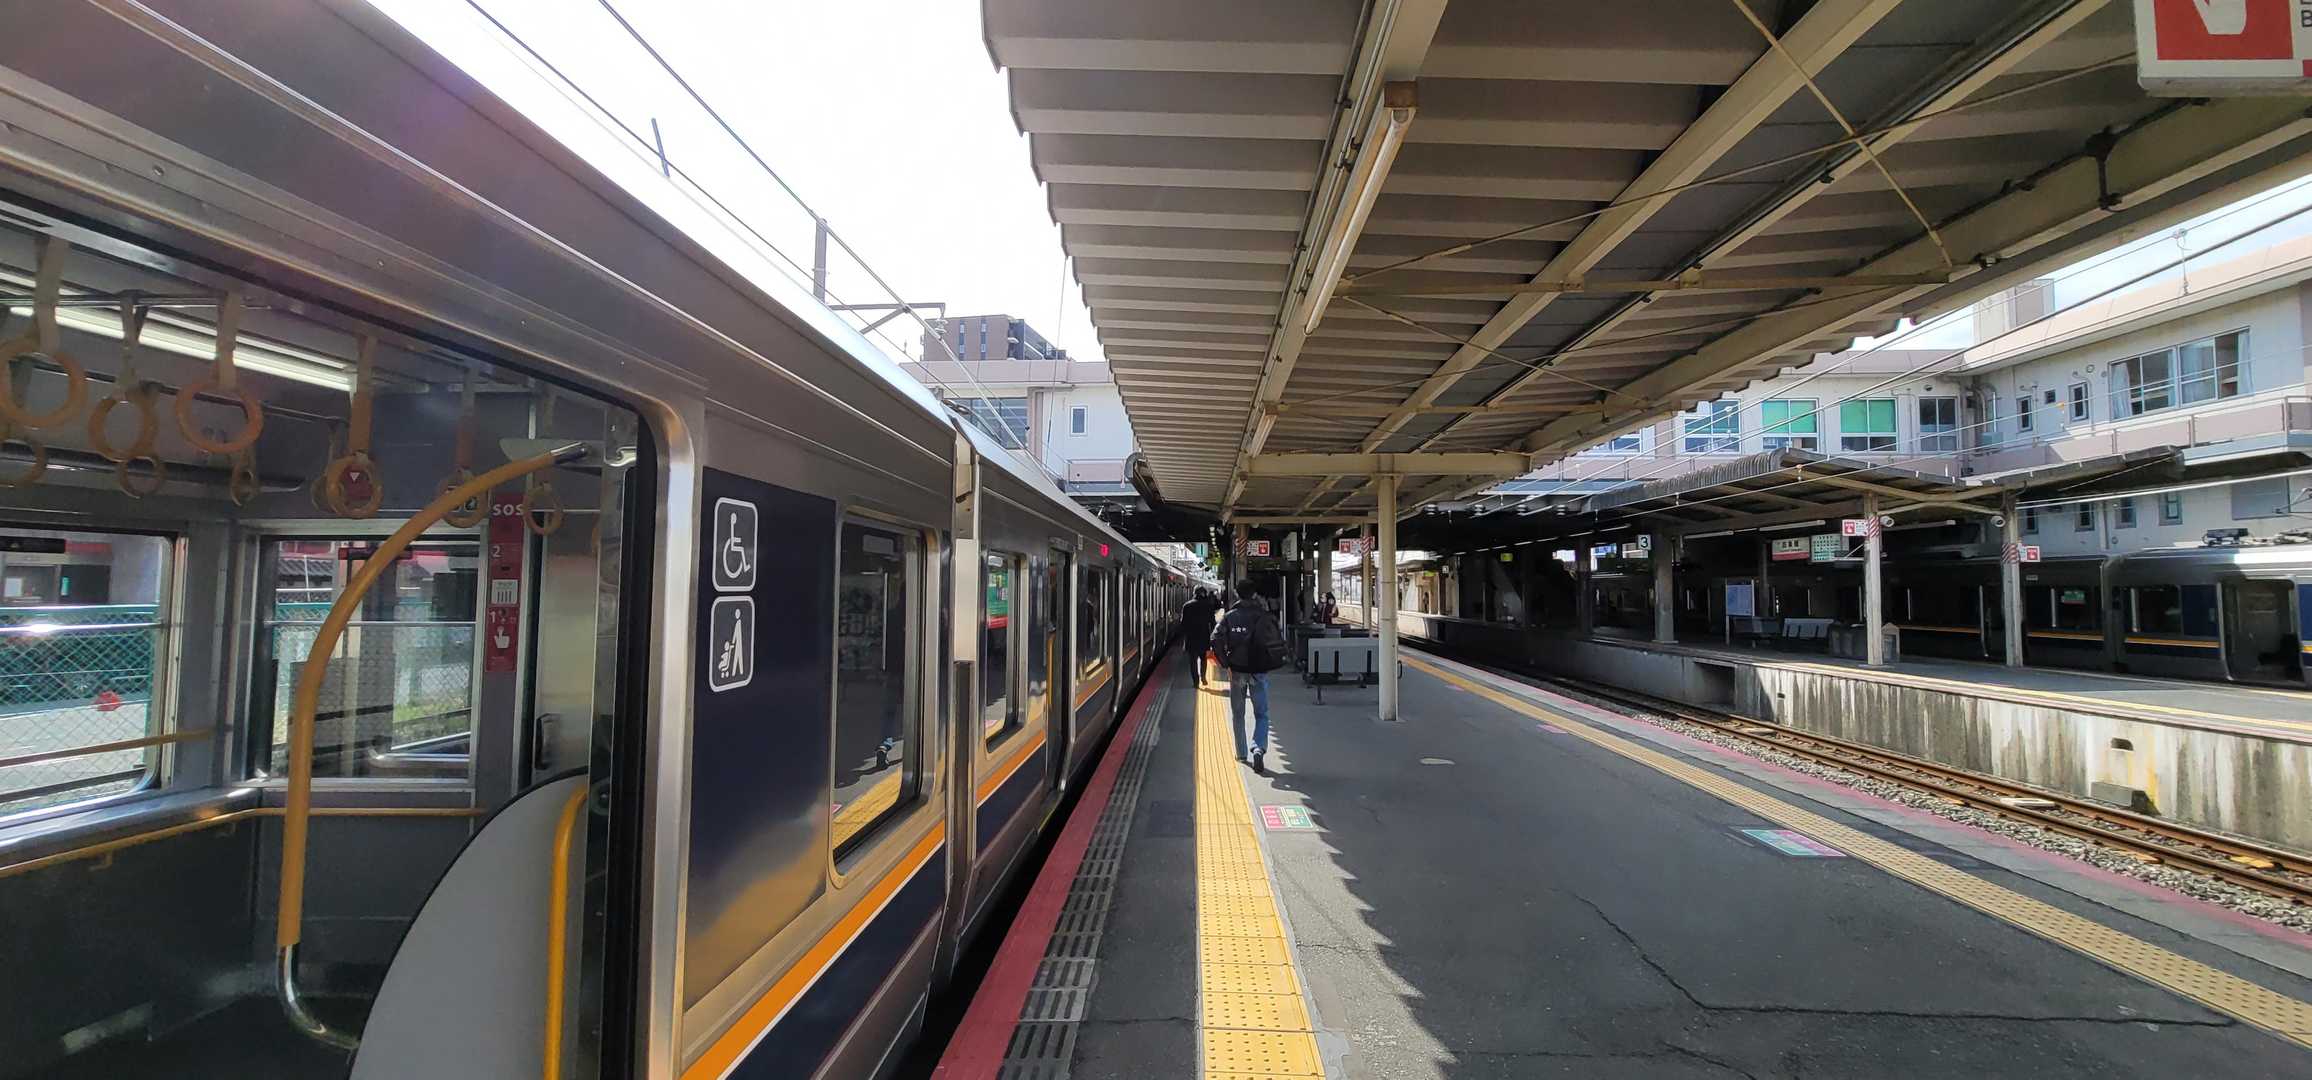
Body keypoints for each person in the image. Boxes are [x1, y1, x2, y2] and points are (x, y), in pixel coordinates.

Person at [1216, 578, 1289, 774]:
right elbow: (1276, 639)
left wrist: (1225, 663)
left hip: (1237, 671)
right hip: (1259, 670)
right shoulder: (1264, 616)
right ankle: (1258, 748)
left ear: (1236, 594)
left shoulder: (1230, 616)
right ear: (1254, 594)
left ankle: (1241, 753)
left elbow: (1215, 638)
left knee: (1238, 713)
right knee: (1262, 714)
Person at [1181, 587, 1222, 687]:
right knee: (1203, 658)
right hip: (1204, 636)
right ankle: (1203, 677)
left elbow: (1183, 624)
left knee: (1193, 661)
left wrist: (1185, 636)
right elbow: (1213, 623)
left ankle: (1195, 682)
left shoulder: (1187, 605)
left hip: (1191, 637)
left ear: (1194, 593)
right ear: (1204, 594)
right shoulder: (1208, 606)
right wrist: (1213, 636)